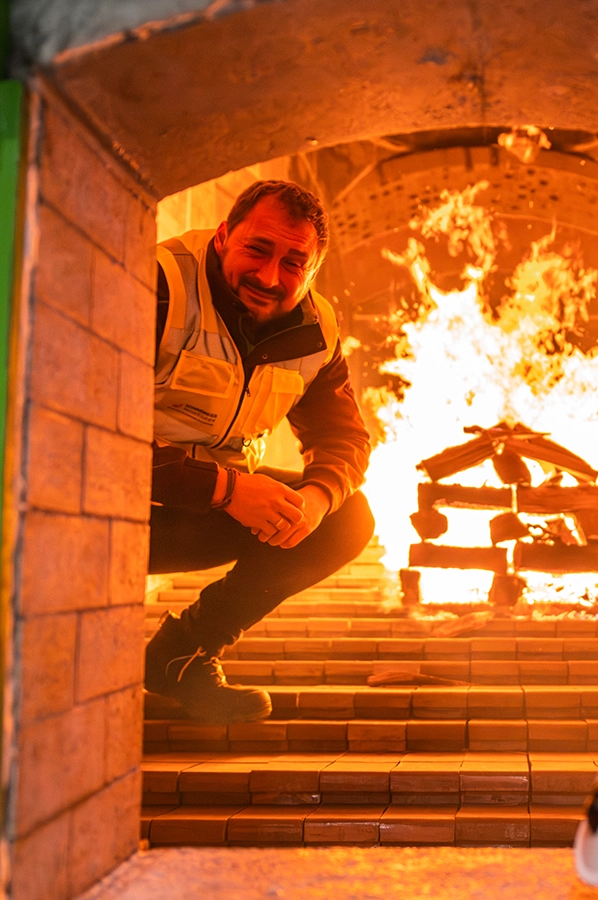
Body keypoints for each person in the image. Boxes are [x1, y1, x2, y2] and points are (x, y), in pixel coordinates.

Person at [143, 180, 374, 723]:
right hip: (104, 510)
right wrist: (225, 489)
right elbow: (89, 435)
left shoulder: (318, 331)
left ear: (313, 270)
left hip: (200, 510)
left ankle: (181, 655)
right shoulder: (157, 285)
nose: (270, 277)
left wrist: (316, 499)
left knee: (346, 519)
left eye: (294, 262)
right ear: (224, 236)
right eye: (258, 249)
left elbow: (344, 437)